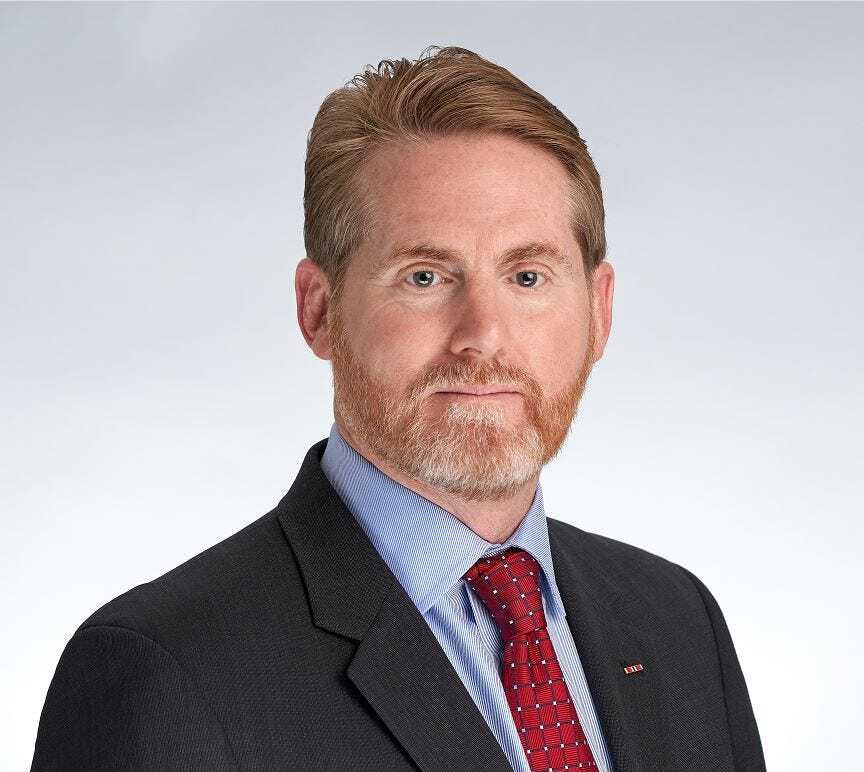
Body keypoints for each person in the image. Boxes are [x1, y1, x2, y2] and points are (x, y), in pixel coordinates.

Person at [31, 46, 765, 771]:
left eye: (528, 276)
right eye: (424, 276)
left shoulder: (677, 619)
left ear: (599, 311)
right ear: (319, 311)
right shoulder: (162, 672)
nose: (483, 335)